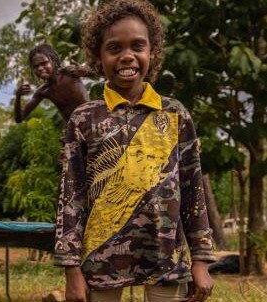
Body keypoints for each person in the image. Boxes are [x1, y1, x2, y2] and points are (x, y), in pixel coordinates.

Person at [53, 1, 216, 302]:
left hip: (165, 255)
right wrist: (71, 268)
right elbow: (70, 199)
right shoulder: (84, 118)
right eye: (114, 48)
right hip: (101, 258)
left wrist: (202, 259)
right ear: (98, 57)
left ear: (151, 52)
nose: (127, 56)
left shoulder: (175, 114)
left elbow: (193, 192)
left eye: (137, 46)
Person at [14, 43, 93, 123]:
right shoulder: (43, 91)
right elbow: (19, 119)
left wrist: (86, 71)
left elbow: (101, 73)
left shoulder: (70, 73)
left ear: (53, 61)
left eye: (44, 63)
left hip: (93, 120)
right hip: (75, 130)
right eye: (36, 66)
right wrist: (18, 96)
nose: (40, 68)